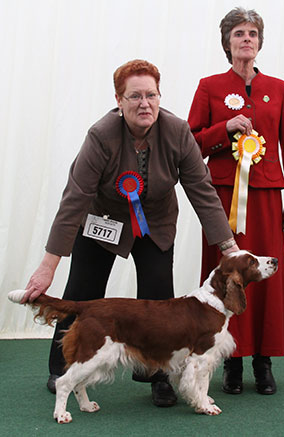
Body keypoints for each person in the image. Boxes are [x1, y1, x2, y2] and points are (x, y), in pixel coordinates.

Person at [21, 59, 238, 407]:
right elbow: (74, 199)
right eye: (134, 96)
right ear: (119, 101)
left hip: (157, 222)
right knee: (83, 291)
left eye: (151, 95)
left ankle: (157, 375)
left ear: (159, 96)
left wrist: (229, 246)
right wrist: (48, 265)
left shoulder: (177, 132)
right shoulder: (101, 135)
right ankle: (62, 366)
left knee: (160, 300)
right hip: (103, 219)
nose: (144, 103)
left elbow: (202, 190)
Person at [188, 7, 284, 396]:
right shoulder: (209, 86)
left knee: (266, 274)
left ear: (260, 41)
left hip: (268, 196)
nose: (246, 39)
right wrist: (225, 128)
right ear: (227, 42)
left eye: (252, 33)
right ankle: (231, 364)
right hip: (220, 197)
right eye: (239, 33)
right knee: (226, 276)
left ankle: (263, 363)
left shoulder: (281, 88)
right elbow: (189, 144)